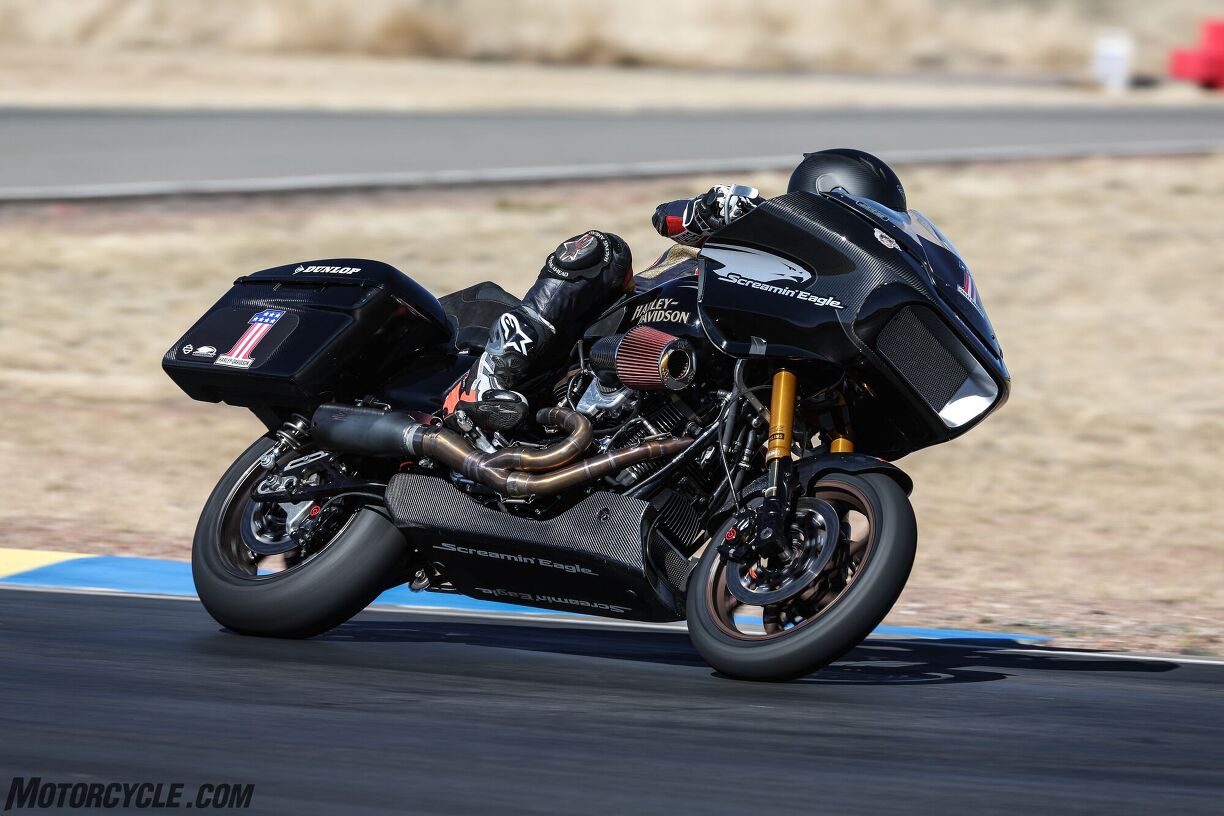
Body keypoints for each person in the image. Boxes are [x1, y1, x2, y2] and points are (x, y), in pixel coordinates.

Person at [445, 148, 906, 431]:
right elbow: (665, 217)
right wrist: (710, 211)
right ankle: (489, 377)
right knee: (603, 250)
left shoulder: (823, 303)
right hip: (629, 319)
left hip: (695, 379)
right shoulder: (761, 226)